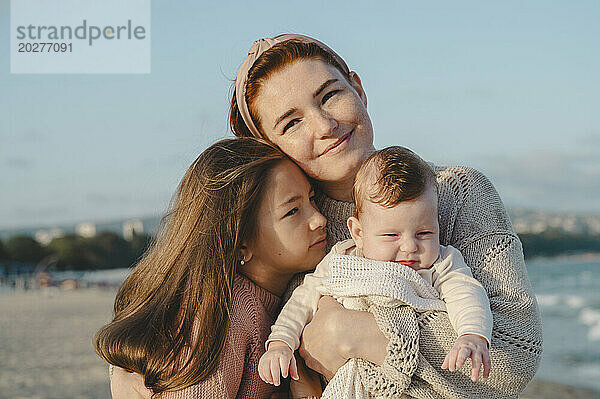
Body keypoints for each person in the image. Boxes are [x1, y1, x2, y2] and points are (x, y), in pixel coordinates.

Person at [230, 33, 543, 398]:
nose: (324, 126)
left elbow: (515, 354)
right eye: (291, 123)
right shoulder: (288, 233)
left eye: (330, 95)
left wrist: (358, 335)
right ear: (270, 148)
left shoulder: (457, 192)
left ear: (358, 90)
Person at [94, 138, 324, 398]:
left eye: (312, 199)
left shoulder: (263, 302)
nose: (319, 219)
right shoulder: (223, 314)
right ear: (239, 243)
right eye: (292, 211)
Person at [259, 146, 493, 397]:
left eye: (424, 233)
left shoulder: (441, 262)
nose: (410, 247)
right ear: (358, 233)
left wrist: (472, 334)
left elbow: (467, 294)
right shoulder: (342, 260)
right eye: (391, 235)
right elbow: (302, 302)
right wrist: (280, 343)